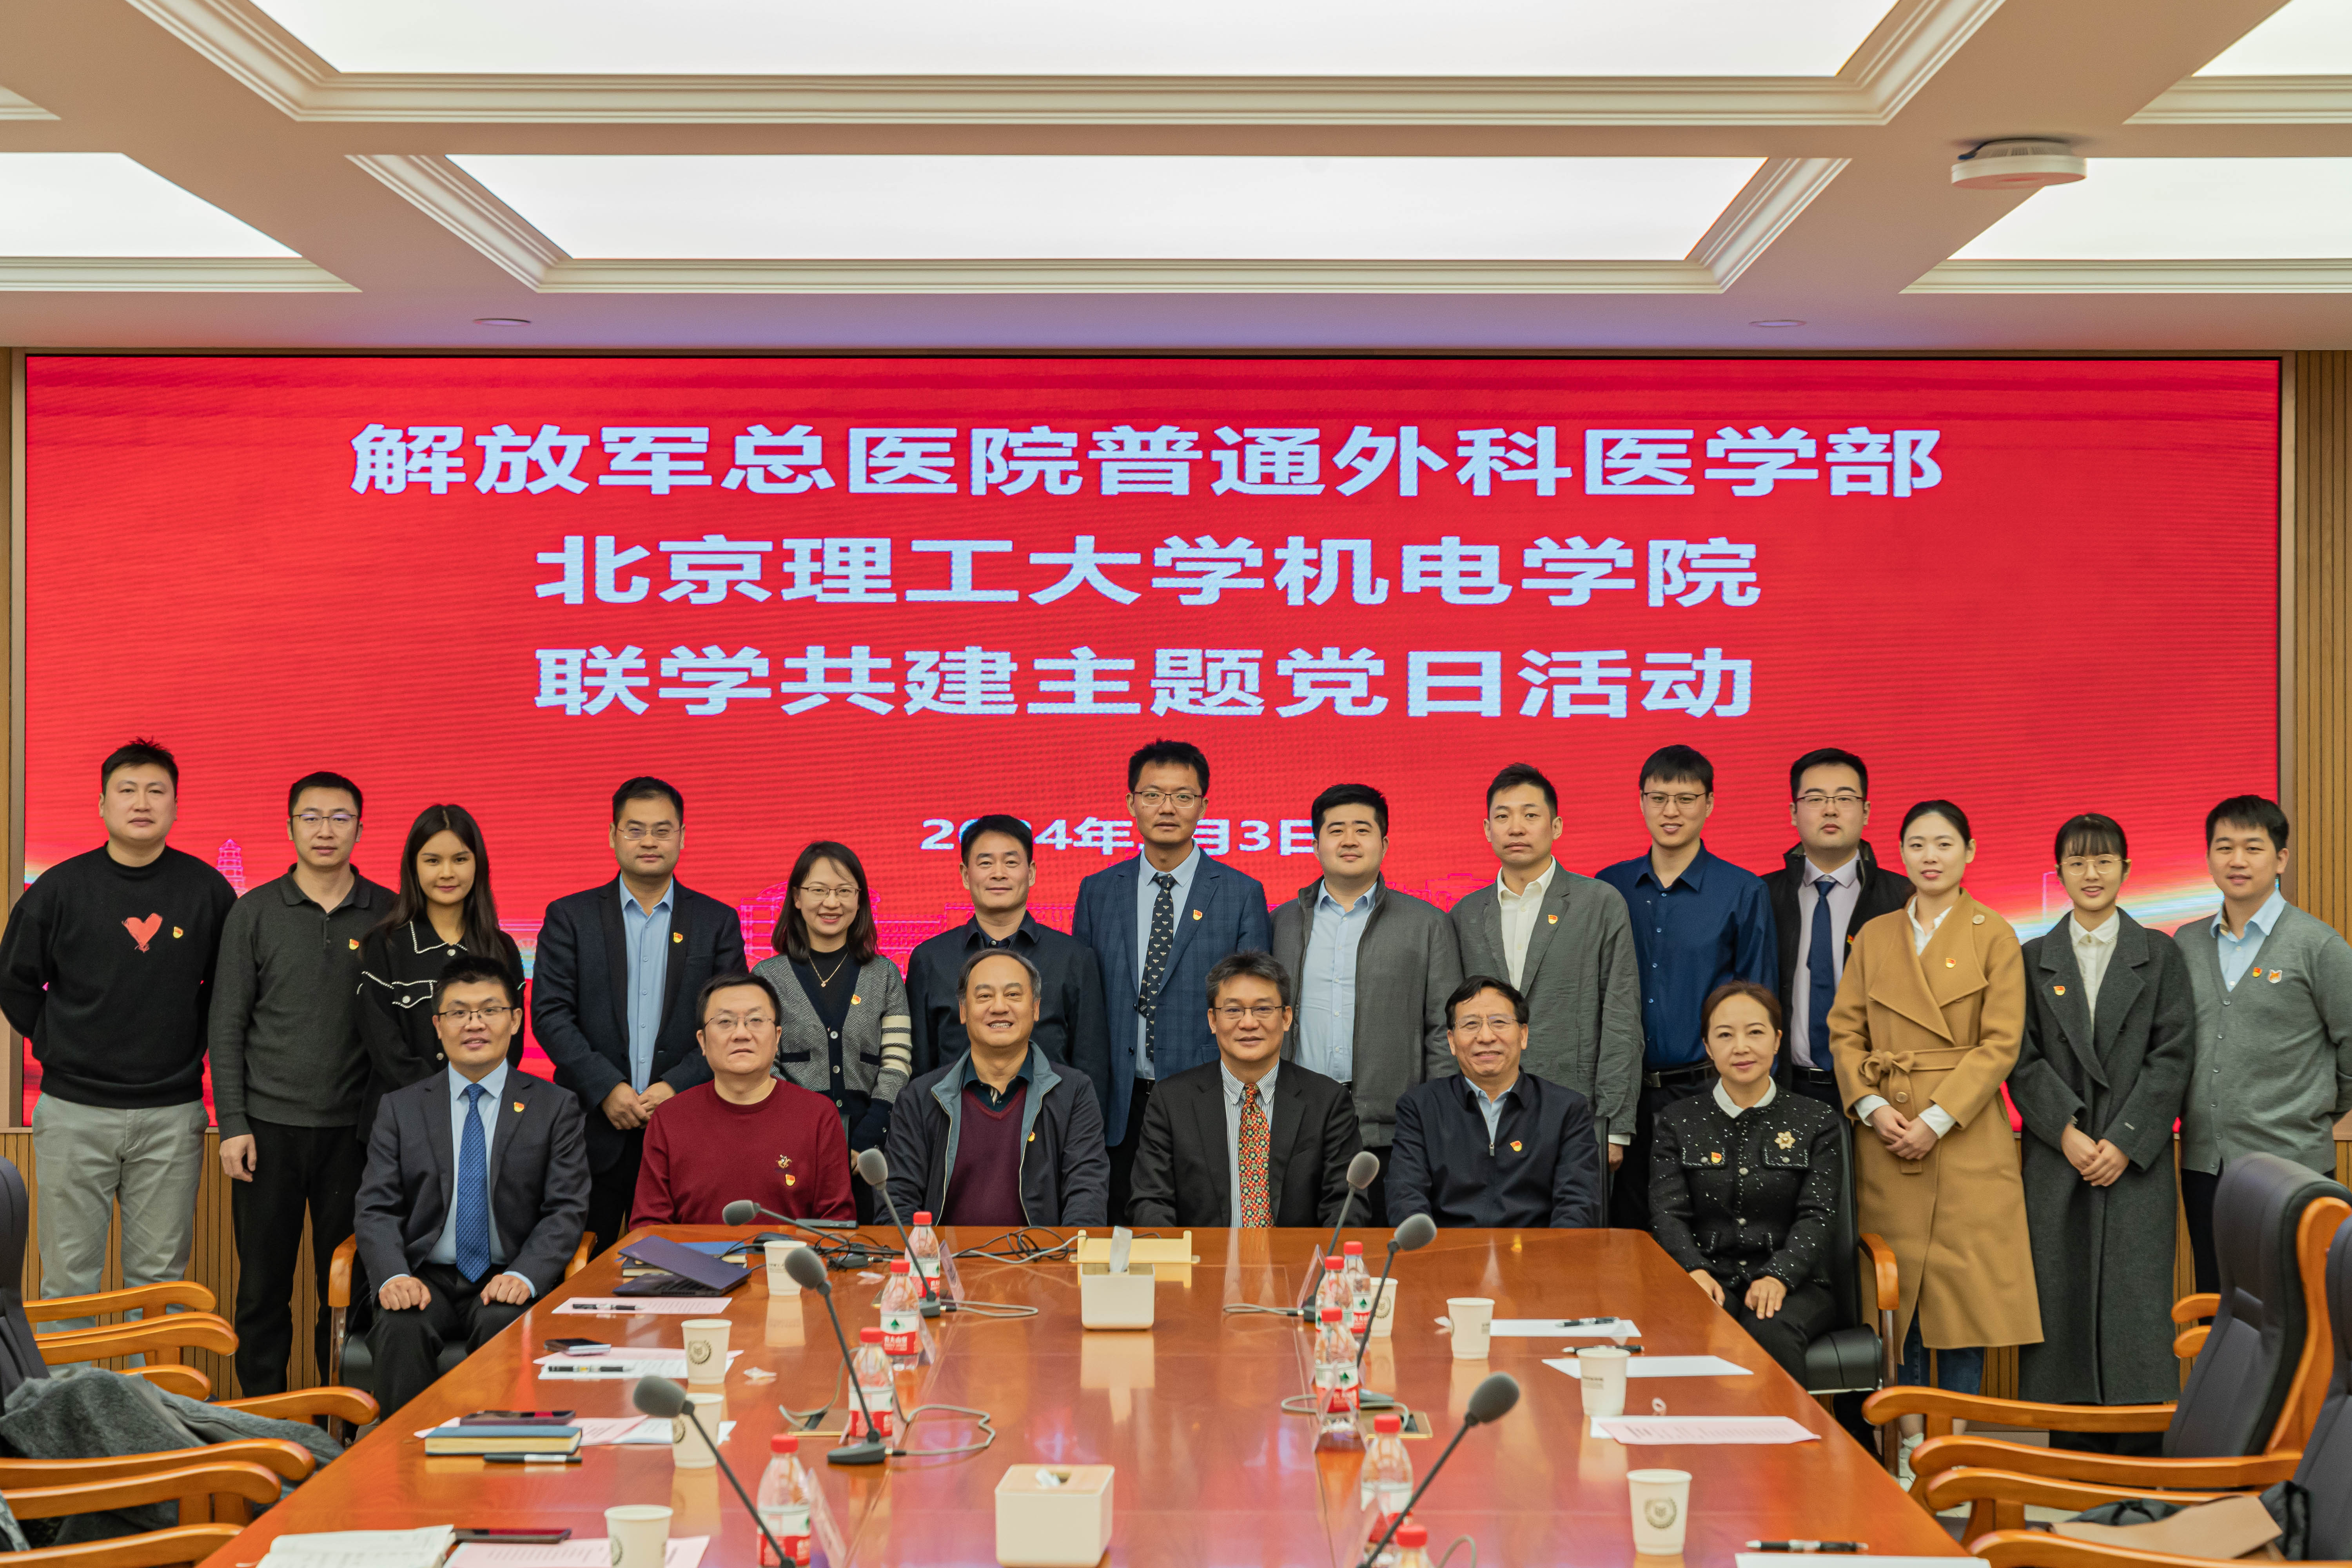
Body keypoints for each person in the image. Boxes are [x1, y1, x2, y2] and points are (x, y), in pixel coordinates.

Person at [1829, 799, 2041, 1472]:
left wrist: (1938, 1118)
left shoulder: (1994, 933)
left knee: (1963, 1303)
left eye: (1944, 843)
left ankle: (1952, 1450)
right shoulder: (1875, 935)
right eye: (1917, 844)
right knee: (1901, 1303)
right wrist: (1869, 1105)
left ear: (1969, 852)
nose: (1930, 856)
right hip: (1887, 1134)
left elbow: (2000, 1044)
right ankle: (1906, 1443)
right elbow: (1845, 1031)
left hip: (1964, 1135)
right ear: (1901, 853)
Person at [0, 739, 233, 1331]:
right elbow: (15, 980)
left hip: (171, 1114)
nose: (141, 802)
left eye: (156, 791)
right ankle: (70, 1396)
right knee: (67, 1281)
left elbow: (229, 991)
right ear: (102, 804)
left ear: (176, 806)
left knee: (159, 1286)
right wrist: (56, 1042)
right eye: (127, 790)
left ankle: (148, 1393)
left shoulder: (207, 890)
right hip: (74, 1112)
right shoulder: (60, 888)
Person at [2011, 814, 2195, 1446]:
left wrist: (2125, 1139)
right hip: (2057, 1157)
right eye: (2077, 862)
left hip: (2135, 1160)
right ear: (2058, 873)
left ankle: (2140, 1460)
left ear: (2126, 869)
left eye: (2104, 861)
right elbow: (2021, 1057)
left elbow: (2172, 1056)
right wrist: (2064, 1130)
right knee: (2060, 1307)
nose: (2091, 874)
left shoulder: (2160, 954)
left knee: (2136, 1309)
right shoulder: (2033, 958)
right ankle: (2072, 1464)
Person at [210, 771, 390, 1396]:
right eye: (310, 817)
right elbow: (226, 1025)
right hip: (267, 1133)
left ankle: (341, 1420)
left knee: (348, 1291)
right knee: (262, 1291)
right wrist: (233, 1124)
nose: (325, 830)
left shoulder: (390, 913)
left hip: (357, 1135)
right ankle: (263, 1420)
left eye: (340, 818)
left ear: (360, 829)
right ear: (289, 828)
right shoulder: (254, 912)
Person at [354, 955, 589, 1420]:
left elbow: (565, 1209)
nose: (474, 1024)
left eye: (489, 1010)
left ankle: (498, 1458)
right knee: (401, 1325)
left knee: (506, 1322)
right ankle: (402, 1455)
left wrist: (525, 1275)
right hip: (425, 1275)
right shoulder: (401, 1108)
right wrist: (394, 1276)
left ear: (515, 1020)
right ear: (438, 1025)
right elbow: (376, 1208)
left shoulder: (555, 1107)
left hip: (509, 1272)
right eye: (459, 1012)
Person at [532, 778, 745, 1254]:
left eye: (662, 830)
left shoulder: (716, 922)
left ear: (682, 837)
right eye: (636, 829)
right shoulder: (570, 917)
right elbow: (550, 1014)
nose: (649, 841)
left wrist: (676, 1088)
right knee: (585, 1267)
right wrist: (607, 1087)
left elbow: (731, 1021)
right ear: (613, 835)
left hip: (689, 1127)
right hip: (592, 1130)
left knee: (689, 1266)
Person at [1073, 739, 1270, 1223]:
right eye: (1153, 795)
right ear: (1131, 803)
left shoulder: (1241, 893)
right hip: (1117, 1105)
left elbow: (1253, 1005)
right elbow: (1083, 1003)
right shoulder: (1098, 891)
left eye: (1183, 796)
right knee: (1117, 1240)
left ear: (1204, 805)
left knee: (1201, 1240)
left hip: (1204, 1099)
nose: (1167, 808)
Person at [2173, 795, 2352, 1294]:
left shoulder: (2318, 945)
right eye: (2224, 847)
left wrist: (2309, 1111)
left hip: (2294, 1166)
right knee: (2220, 1304)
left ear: (2281, 859)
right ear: (2209, 857)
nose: (2237, 860)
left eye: (2253, 848)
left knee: (2298, 1310)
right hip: (2206, 1165)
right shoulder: (2186, 944)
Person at [1597, 746, 1777, 1228]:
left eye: (1685, 798)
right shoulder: (1609, 888)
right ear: (1642, 802)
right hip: (1624, 1099)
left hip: (1709, 1090)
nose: (1670, 811)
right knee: (1626, 1231)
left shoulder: (1743, 891)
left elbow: (1759, 1004)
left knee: (1706, 1229)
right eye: (1658, 798)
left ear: (1709, 803)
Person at [1270, 784, 1460, 1225]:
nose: (1349, 841)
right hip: (1295, 1124)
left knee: (1380, 1252)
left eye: (1362, 829)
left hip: (1391, 1132)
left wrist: (1436, 1119)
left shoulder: (1428, 924)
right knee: (1294, 1253)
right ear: (1315, 844)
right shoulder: (1280, 922)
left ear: (1385, 844)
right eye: (1336, 830)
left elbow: (1443, 1032)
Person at [1448, 763, 1641, 1176]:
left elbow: (1621, 1018)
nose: (1516, 827)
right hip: (1483, 1117)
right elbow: (1449, 1024)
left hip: (1577, 1116)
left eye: (1530, 815)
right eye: (1503, 816)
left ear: (1556, 826)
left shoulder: (1600, 903)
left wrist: (1615, 1126)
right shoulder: (1465, 914)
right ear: (1487, 830)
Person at [1650, 982, 1842, 1385]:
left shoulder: (1817, 1120)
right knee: (1698, 1324)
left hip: (1797, 1282)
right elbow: (1668, 1213)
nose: (1741, 1047)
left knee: (1770, 1327)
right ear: (1707, 1046)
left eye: (1755, 1032)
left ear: (1777, 1040)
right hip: (1708, 1276)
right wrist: (1693, 1270)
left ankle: (1785, 1429)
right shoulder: (1678, 1120)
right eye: (1725, 1035)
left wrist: (1779, 1275)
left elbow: (1818, 1214)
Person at [1128, 952, 1362, 1229]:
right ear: (1213, 1020)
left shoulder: (1328, 1102)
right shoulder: (1171, 1102)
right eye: (1233, 1011)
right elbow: (1150, 1202)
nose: (1249, 1023)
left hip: (1297, 1258)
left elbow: (1345, 1206)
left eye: (1263, 1009)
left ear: (1286, 1018)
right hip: (1202, 1257)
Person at [884, 949, 1110, 1228]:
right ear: (963, 1011)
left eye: (1013, 995)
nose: (1000, 1007)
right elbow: (896, 1206)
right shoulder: (920, 1098)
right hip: (942, 1256)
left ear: (1036, 1008)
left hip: (1044, 1255)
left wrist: (1059, 1255)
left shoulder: (1074, 1093)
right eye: (984, 996)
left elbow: (1087, 1201)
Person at [904, 815, 1111, 1105]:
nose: (999, 874)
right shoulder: (930, 959)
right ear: (966, 875)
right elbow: (919, 1070)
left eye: (1011, 863)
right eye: (986, 863)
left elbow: (1092, 1068)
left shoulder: (1074, 958)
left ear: (1031, 873)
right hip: (952, 1124)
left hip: (1051, 1124)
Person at [751, 842, 913, 1207]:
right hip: (791, 1140)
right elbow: (763, 1065)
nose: (831, 903)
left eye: (844, 891)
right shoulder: (767, 976)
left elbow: (897, 1063)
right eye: (819, 890)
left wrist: (869, 1136)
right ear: (797, 898)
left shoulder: (885, 975)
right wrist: (807, 1130)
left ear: (859, 900)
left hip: (871, 1149)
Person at [357, 804, 526, 1140]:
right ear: (413, 867)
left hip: (480, 1121)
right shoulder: (384, 944)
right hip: (399, 1126)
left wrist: (468, 1101)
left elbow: (512, 1044)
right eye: (433, 861)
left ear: (478, 864)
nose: (447, 873)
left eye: (460, 859)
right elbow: (383, 1045)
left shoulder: (502, 948)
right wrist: (441, 1100)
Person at [631, 973, 855, 1226]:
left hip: (789, 1253)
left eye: (755, 1020)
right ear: (703, 1042)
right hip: (691, 1254)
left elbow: (837, 1224)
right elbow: (649, 1226)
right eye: (725, 1022)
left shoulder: (817, 1115)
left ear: (777, 1037)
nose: (741, 1033)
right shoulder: (670, 1118)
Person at [1759, 749, 1913, 1113]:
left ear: (1866, 811)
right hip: (1783, 1091)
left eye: (1845, 799)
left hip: (1882, 1093)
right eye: (1815, 799)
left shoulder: (1904, 898)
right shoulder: (1761, 896)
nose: (1830, 810)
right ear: (1793, 812)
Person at [1387, 976, 1604, 1229]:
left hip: (1537, 1251)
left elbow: (1578, 1205)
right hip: (1447, 1250)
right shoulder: (1421, 1107)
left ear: (1523, 1035)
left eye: (1499, 1022)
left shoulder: (1566, 1109)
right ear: (1452, 1041)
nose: (1486, 1036)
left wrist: (1549, 1253)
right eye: (1471, 1024)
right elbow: (1406, 1199)